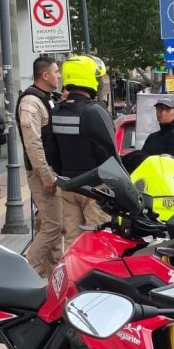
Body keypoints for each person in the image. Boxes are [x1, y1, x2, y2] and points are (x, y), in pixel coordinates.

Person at [50, 54, 117, 248]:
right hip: (95, 188)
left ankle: (74, 277)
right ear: (89, 79)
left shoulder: (57, 111)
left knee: (73, 241)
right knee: (98, 239)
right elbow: (110, 153)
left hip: (69, 185)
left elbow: (50, 150)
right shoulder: (94, 111)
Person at [17, 56, 63, 277]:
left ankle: (54, 276)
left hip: (49, 171)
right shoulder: (30, 103)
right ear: (45, 75)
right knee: (54, 225)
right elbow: (33, 143)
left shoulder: (45, 98)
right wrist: (45, 175)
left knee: (51, 225)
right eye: (56, 72)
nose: (59, 76)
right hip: (42, 173)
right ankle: (24, 271)